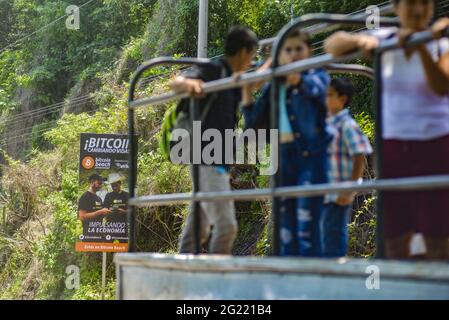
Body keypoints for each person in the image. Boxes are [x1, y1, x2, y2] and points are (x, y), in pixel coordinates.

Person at [324, 0, 449, 259]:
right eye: (411, 3)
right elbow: (332, 44)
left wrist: (419, 47)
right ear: (398, 7)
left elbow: (441, 86)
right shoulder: (386, 38)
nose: (418, 9)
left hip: (435, 144)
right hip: (394, 146)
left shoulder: (440, 43)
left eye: (424, 3)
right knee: (395, 235)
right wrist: (363, 43)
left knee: (437, 235)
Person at [241, 28, 332, 257]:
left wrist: (295, 78)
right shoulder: (275, 84)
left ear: (309, 52)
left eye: (298, 49)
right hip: (283, 155)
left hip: (312, 156)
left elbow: (318, 94)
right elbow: (254, 125)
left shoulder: (316, 75)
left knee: (309, 221)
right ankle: (288, 279)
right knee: (285, 224)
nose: (293, 55)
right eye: (288, 50)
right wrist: (247, 93)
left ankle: (314, 277)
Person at [170, 26, 259, 254]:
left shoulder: (232, 81)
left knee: (197, 227)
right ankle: (216, 279)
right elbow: (176, 83)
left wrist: (275, 65)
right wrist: (190, 85)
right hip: (205, 157)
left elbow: (254, 83)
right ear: (242, 52)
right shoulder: (213, 69)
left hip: (217, 162)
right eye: (252, 56)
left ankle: (182, 271)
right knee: (227, 226)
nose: (252, 62)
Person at [323, 78, 373, 257]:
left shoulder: (347, 125)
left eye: (329, 95)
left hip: (339, 193)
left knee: (334, 234)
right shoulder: (328, 124)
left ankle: (336, 270)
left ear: (342, 99)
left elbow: (360, 153)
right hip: (325, 192)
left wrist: (351, 187)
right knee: (325, 234)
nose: (324, 99)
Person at [78, 174, 111, 242]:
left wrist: (106, 212)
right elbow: (82, 216)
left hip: (99, 235)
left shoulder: (98, 198)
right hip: (89, 236)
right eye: (99, 183)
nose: (100, 185)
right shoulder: (85, 196)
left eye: (101, 184)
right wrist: (100, 212)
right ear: (92, 182)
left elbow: (99, 215)